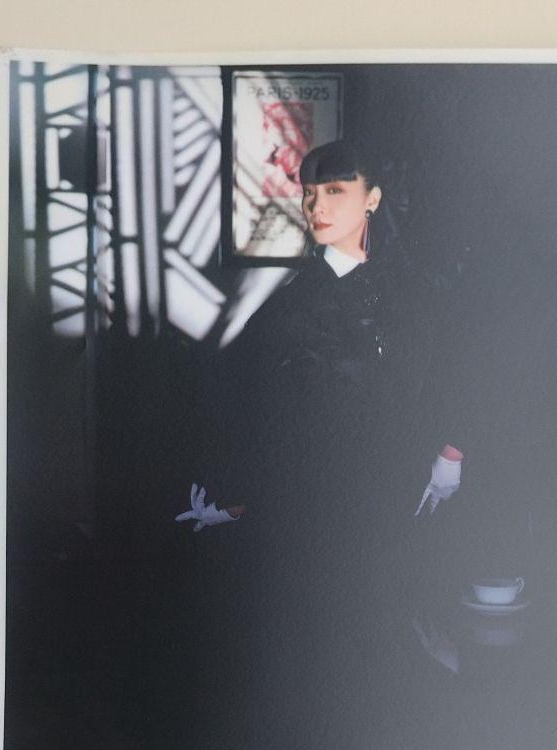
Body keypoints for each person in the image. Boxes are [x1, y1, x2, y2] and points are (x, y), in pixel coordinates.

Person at [175, 138, 471, 563]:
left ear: (372, 199)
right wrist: (235, 498)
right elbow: (249, 404)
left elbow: (453, 371)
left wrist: (450, 457)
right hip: (306, 514)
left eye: (334, 191)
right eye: (309, 193)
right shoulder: (289, 306)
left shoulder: (414, 292)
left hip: (392, 502)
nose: (316, 206)